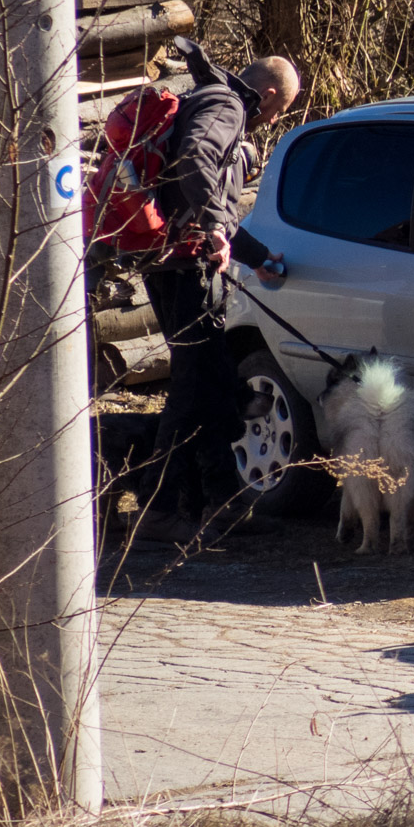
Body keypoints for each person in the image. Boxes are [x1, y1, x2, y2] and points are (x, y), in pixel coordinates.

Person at [133, 43, 300, 544]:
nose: (271, 122)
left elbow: (218, 210)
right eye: (279, 112)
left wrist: (257, 255)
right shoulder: (226, 106)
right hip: (182, 268)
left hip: (180, 262)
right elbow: (194, 159)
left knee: (212, 384)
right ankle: (156, 508)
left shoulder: (210, 97)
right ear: (268, 95)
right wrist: (214, 228)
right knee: (191, 388)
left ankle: (219, 505)